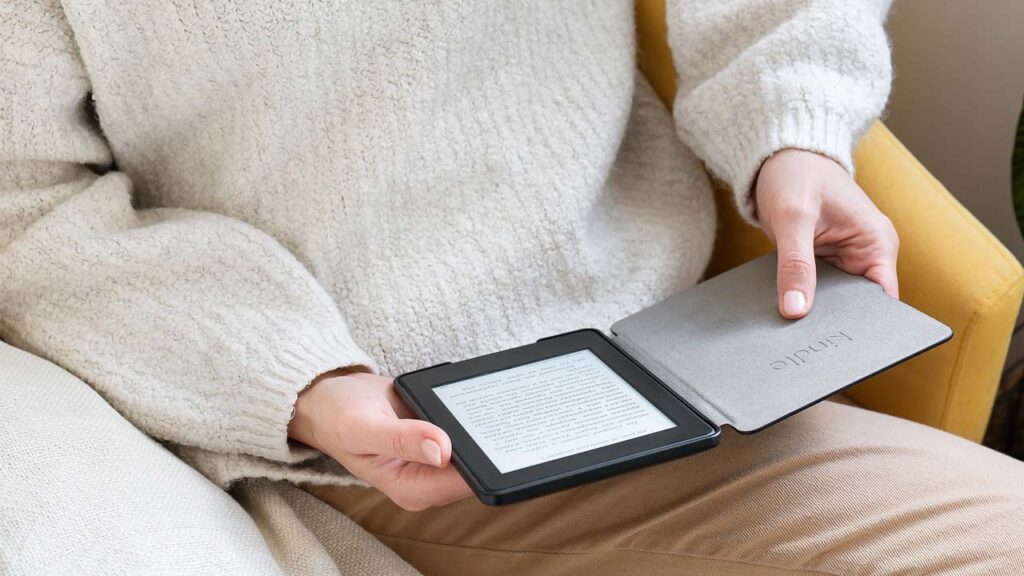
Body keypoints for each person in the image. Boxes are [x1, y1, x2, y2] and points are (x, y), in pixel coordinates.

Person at [1, 0, 1022, 574]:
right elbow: (29, 204)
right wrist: (298, 383)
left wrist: (792, 135)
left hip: (672, 357)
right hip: (395, 439)